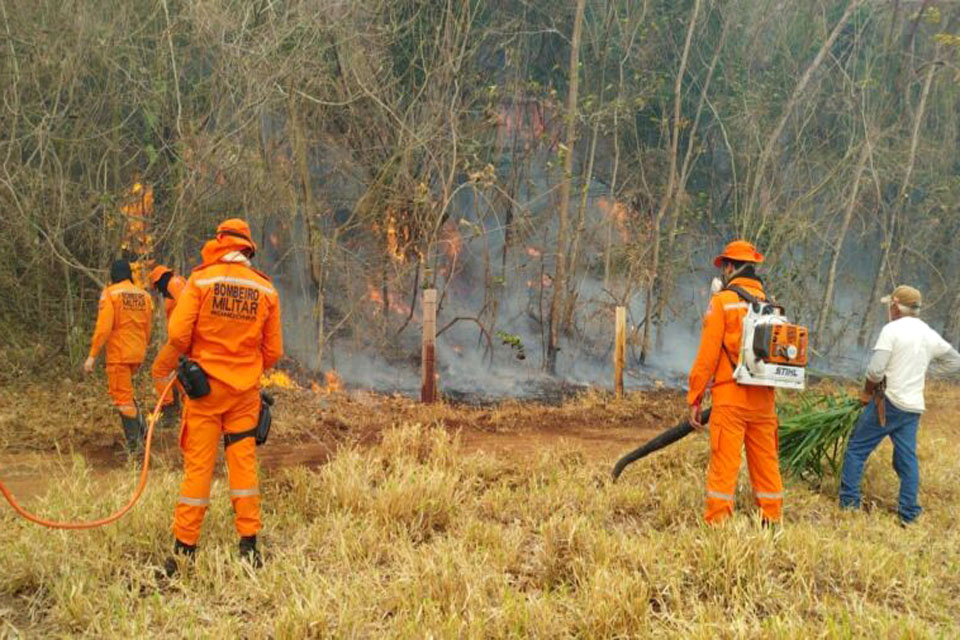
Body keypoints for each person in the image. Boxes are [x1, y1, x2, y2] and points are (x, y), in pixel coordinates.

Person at [159, 219, 283, 571]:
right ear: (248, 249)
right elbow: (273, 351)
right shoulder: (266, 290)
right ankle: (248, 545)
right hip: (244, 395)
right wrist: (245, 365)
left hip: (205, 393)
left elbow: (178, 335)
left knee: (198, 468)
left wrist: (200, 357)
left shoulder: (201, 280)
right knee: (243, 466)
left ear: (219, 243)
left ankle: (185, 548)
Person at [839, 285, 960, 525]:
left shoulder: (891, 330)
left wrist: (865, 393)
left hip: (889, 403)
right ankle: (909, 513)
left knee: (856, 450)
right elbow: (956, 361)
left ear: (895, 306)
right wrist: (927, 369)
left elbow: (875, 370)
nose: (888, 309)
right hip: (912, 408)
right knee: (907, 460)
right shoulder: (928, 333)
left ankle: (849, 505)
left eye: (889, 305)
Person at [686, 240, 783, 525]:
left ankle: (717, 524)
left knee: (724, 466)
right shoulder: (771, 307)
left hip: (730, 399)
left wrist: (695, 397)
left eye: (724, 267)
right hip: (764, 402)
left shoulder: (723, 302)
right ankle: (772, 520)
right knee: (766, 464)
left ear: (730, 267)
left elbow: (707, 357)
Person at [84, 259, 153, 455]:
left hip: (119, 355)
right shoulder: (144, 296)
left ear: (113, 276)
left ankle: (136, 449)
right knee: (126, 395)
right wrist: (142, 348)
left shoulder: (111, 294)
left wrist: (92, 356)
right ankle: (141, 433)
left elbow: (103, 328)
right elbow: (148, 328)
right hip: (137, 353)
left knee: (122, 399)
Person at [148, 265, 187, 426]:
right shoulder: (178, 285)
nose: (159, 292)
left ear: (160, 281)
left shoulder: (174, 283)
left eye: (157, 288)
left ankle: (169, 408)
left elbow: (187, 307)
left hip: (181, 340)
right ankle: (188, 407)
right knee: (179, 373)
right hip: (182, 338)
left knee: (159, 369)